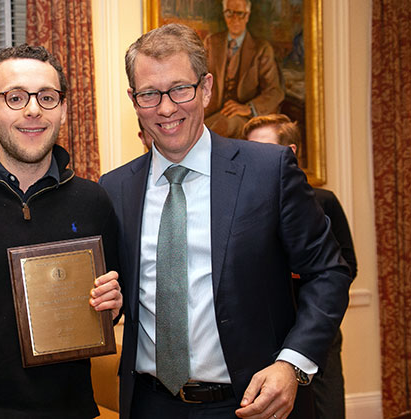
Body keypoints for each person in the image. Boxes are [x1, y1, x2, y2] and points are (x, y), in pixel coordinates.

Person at [99, 23, 351, 419]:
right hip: (149, 404)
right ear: (133, 99)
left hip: (253, 403)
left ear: (206, 88)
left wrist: (292, 364)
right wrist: (107, 305)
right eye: (149, 94)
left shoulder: (269, 171)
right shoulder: (114, 188)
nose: (166, 108)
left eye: (180, 88)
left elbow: (328, 274)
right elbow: (120, 292)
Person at [0, 44, 123, 419]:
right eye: (15, 97)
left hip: (71, 410)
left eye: (47, 97)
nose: (33, 109)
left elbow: (108, 308)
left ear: (63, 109)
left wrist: (110, 303)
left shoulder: (93, 201)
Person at [243, 114, 358, 419]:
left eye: (264, 148)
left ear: (289, 151)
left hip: (316, 330)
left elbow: (344, 267)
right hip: (268, 334)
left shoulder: (324, 200)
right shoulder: (244, 207)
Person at [203, 0, 284, 139]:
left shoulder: (261, 49)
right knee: (198, 129)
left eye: (239, 14)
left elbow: (275, 92)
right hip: (212, 113)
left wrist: (248, 108)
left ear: (247, 16)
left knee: (221, 126)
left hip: (244, 119)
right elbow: (199, 79)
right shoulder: (211, 42)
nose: (234, 19)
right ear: (224, 14)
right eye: (229, 13)